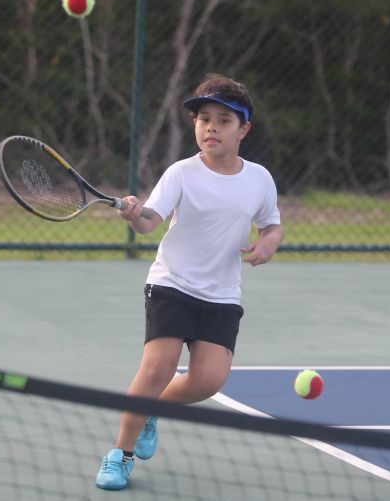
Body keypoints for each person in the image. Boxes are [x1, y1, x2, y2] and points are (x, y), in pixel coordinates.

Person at [95, 73, 283, 490]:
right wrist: (132, 213)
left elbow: (272, 225)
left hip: (222, 293)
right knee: (158, 366)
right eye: (203, 119)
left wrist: (268, 243)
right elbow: (149, 222)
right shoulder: (180, 173)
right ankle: (119, 455)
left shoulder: (260, 179)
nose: (211, 127)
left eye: (223, 120)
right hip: (172, 284)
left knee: (208, 381)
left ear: (244, 129)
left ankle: (150, 410)